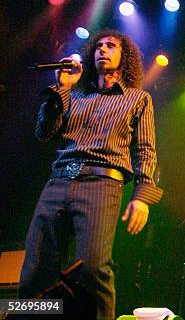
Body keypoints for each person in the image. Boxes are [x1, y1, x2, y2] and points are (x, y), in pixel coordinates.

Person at [19, 30, 163, 319]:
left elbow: (145, 149)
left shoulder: (138, 99)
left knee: (93, 267)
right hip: (59, 179)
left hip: (102, 183)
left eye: (110, 46)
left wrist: (143, 195)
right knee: (37, 267)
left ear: (125, 57)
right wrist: (62, 87)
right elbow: (44, 132)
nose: (102, 50)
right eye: (98, 46)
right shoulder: (75, 94)